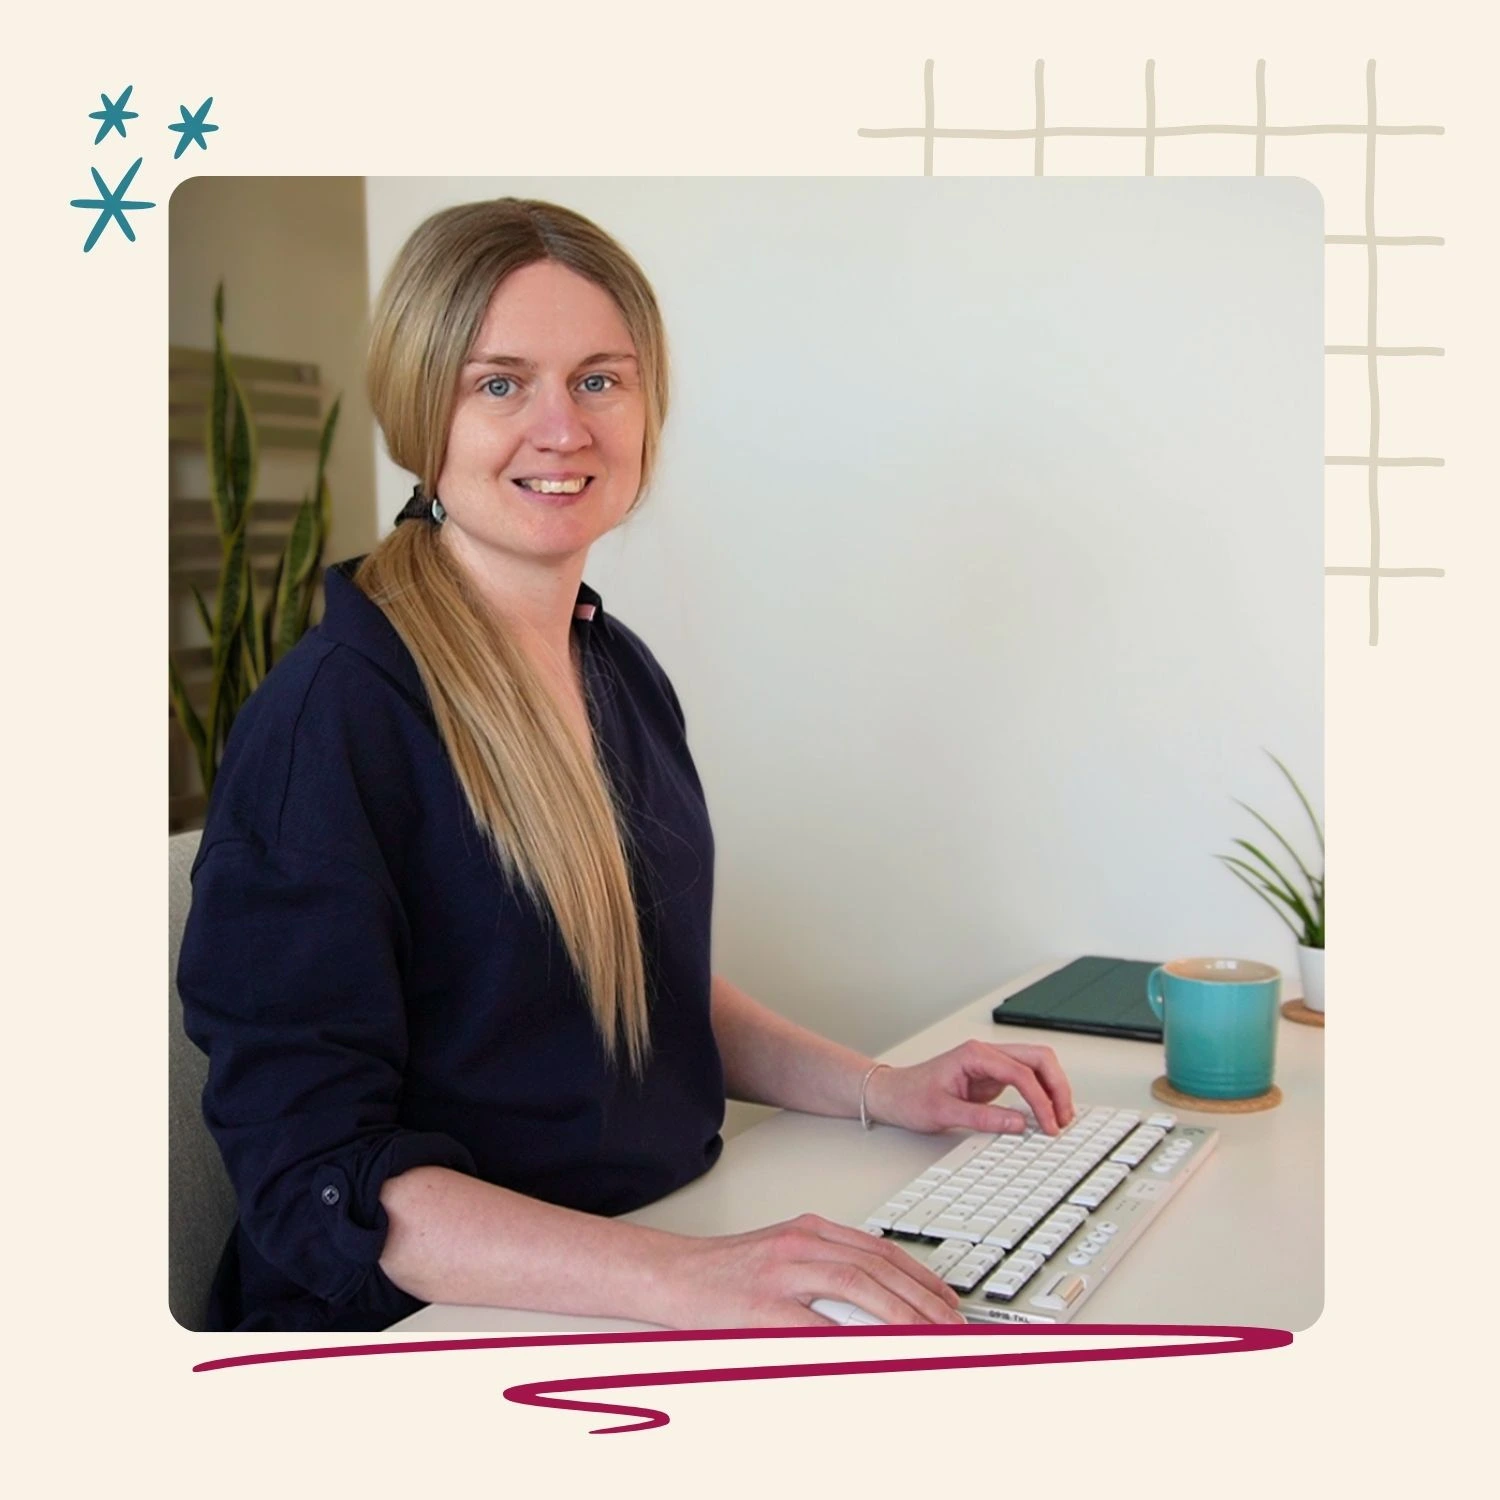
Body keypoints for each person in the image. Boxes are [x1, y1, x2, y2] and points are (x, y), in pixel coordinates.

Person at [177, 196, 1075, 1333]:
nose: (563, 428)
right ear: (421, 412)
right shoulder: (331, 721)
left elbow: (642, 984)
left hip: (634, 1258)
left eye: (600, 379)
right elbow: (315, 1178)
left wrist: (876, 1087)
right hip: (434, 1328)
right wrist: (686, 1279)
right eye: (499, 383)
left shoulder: (615, 667)